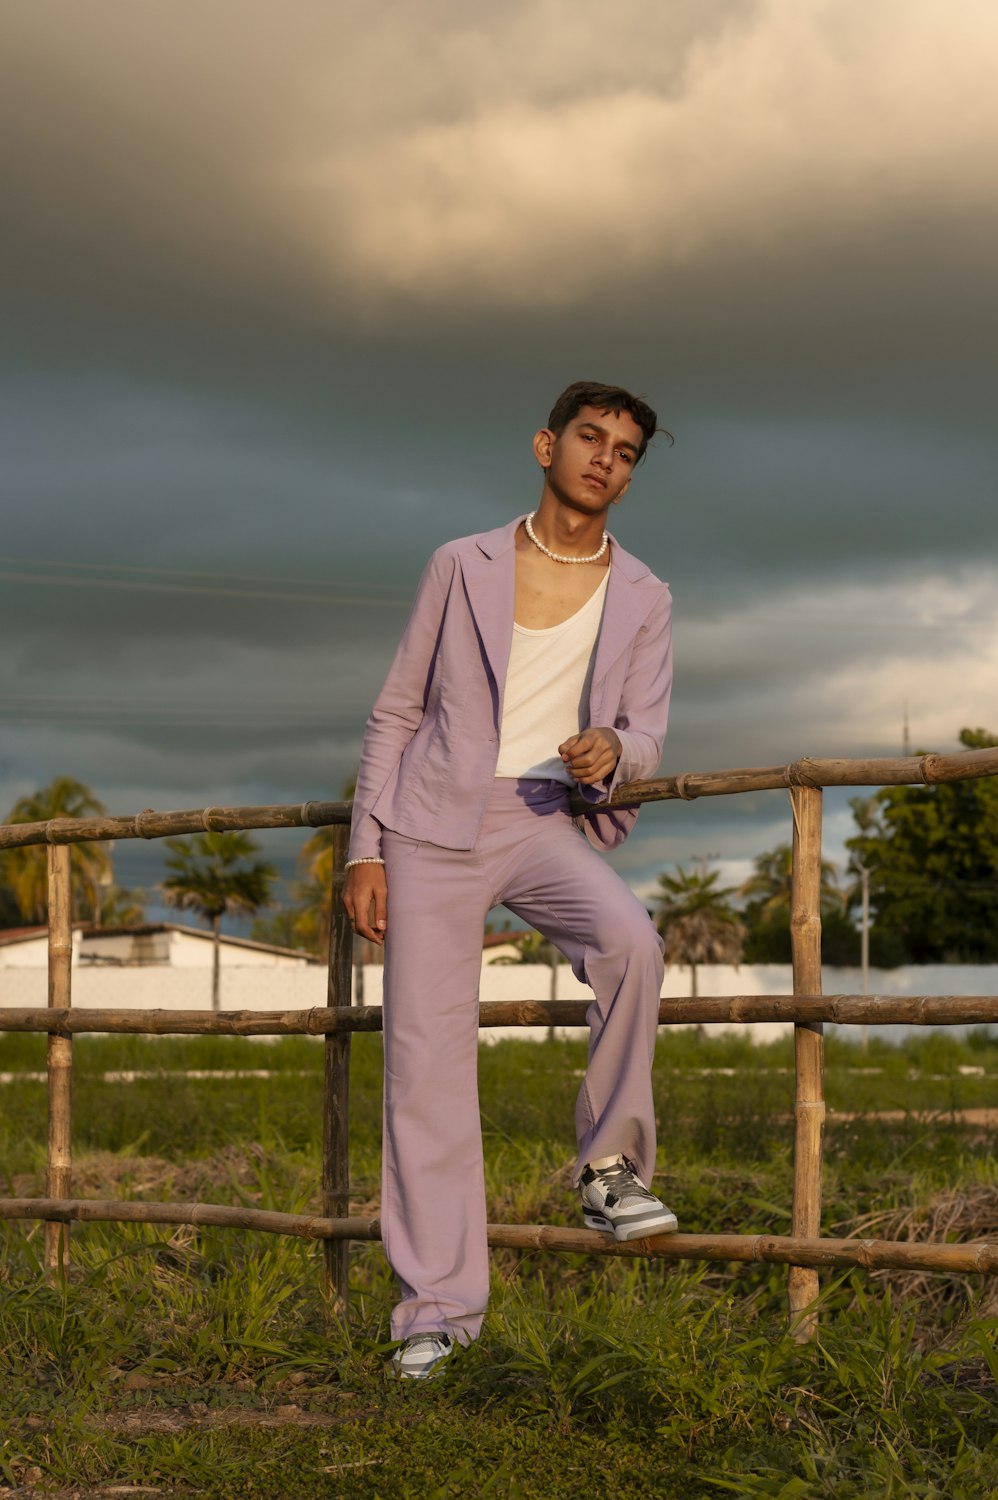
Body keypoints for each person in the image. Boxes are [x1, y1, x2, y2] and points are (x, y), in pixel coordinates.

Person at [343, 380, 676, 1380]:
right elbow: (396, 711)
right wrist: (366, 845)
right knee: (426, 1062)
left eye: (624, 450)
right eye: (589, 437)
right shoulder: (461, 563)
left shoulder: (647, 596)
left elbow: (650, 732)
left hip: (542, 819)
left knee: (631, 943)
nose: (604, 459)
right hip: (435, 824)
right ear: (546, 445)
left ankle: (610, 1172)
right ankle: (435, 1313)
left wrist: (610, 748)